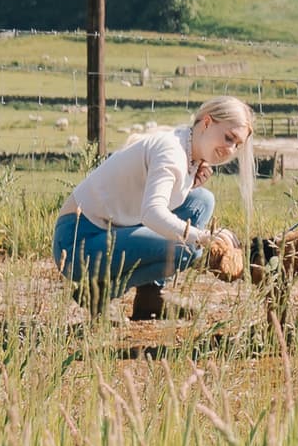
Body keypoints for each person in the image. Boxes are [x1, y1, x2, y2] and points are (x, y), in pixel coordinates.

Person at [55, 94, 251, 321]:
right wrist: (205, 237)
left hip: (110, 231)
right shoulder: (172, 153)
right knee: (187, 249)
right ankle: (98, 293)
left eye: (237, 145)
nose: (230, 150)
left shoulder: (188, 149)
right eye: (228, 137)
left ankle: (150, 296)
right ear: (206, 123)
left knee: (201, 200)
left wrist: (188, 185)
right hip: (77, 243)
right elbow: (152, 213)